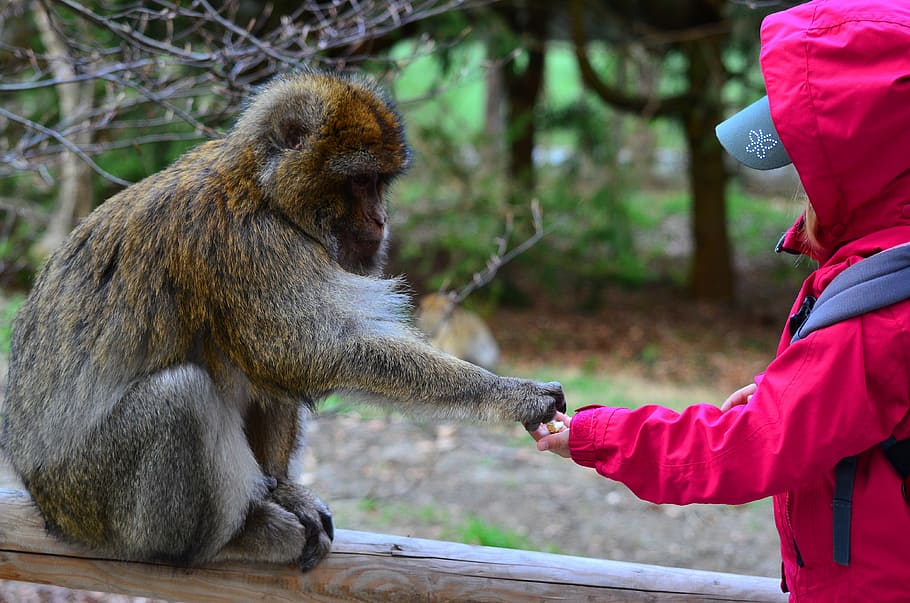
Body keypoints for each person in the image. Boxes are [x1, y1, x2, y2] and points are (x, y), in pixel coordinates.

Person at [530, 1, 910, 600]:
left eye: (806, 160)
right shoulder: (891, 271)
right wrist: (800, 391)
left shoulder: (880, 312)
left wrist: (600, 434)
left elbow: (752, 447)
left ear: (859, 164)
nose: (799, 184)